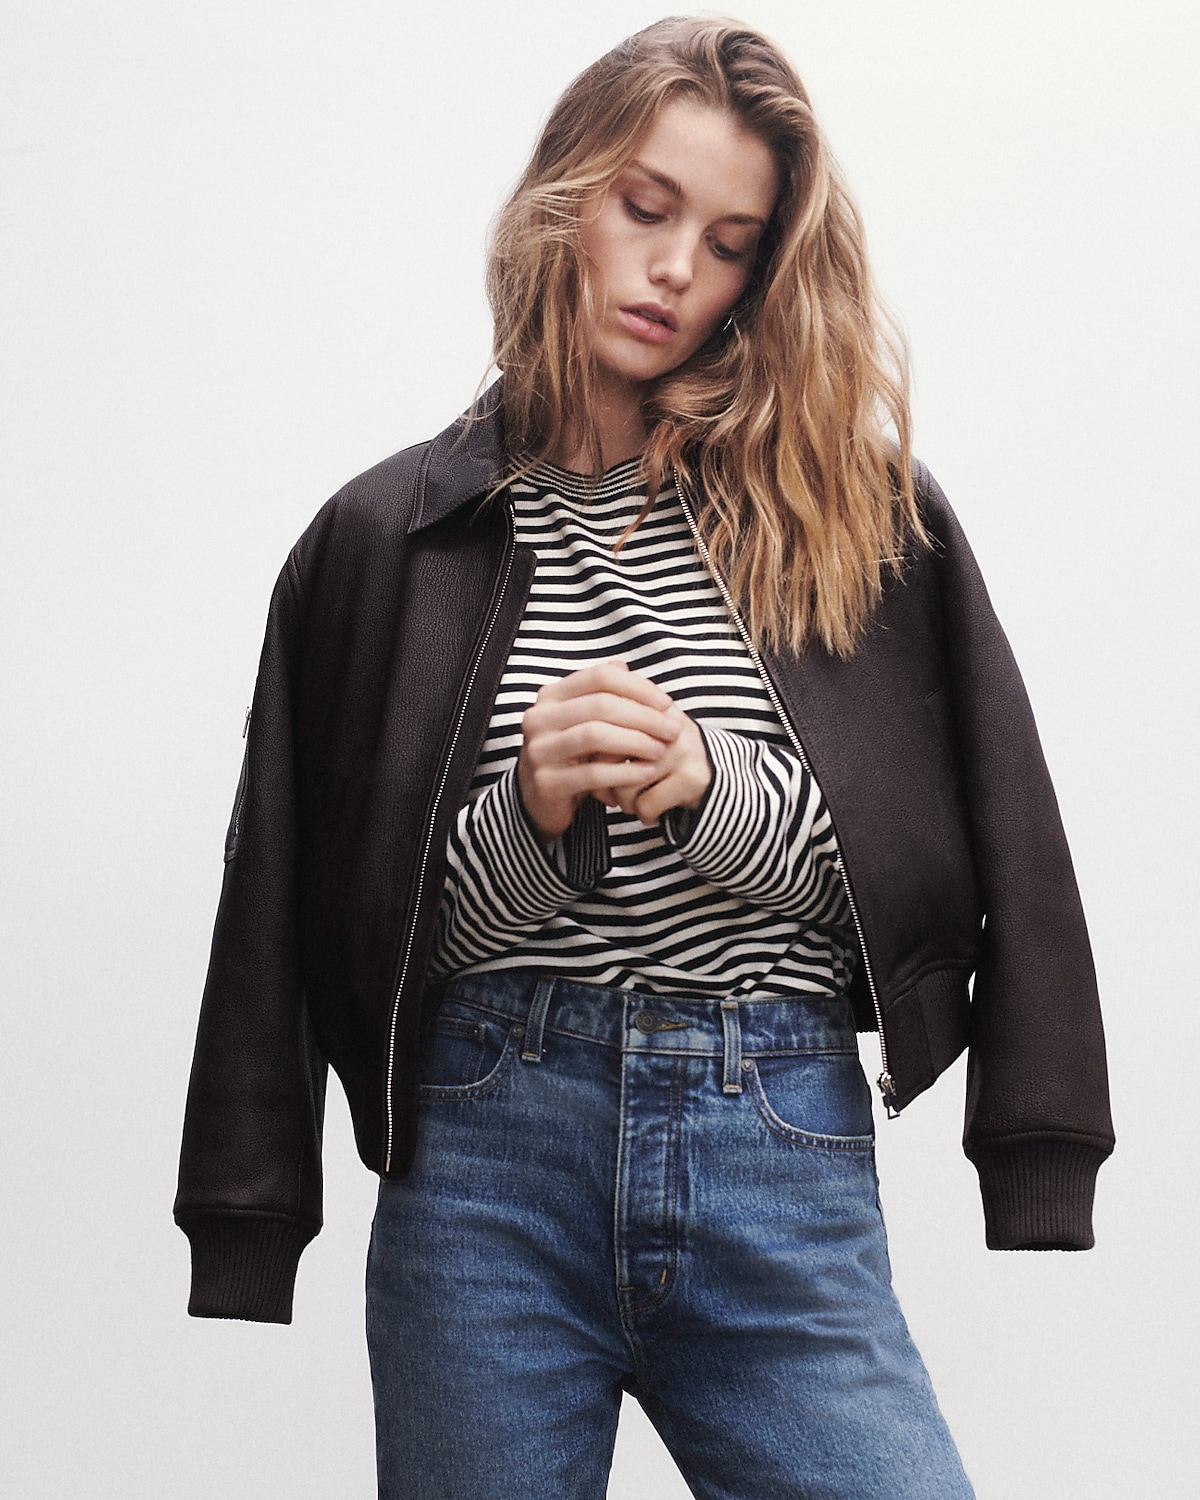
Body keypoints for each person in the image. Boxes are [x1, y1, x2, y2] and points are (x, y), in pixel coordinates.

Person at [175, 16, 1114, 1499]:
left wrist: (704, 789)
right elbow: (321, 918)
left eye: (733, 239)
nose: (679, 269)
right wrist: (531, 816)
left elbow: (951, 859)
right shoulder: (380, 542)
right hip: (482, 1172)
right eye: (648, 208)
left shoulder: (856, 514)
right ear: (569, 194)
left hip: (776, 1145)